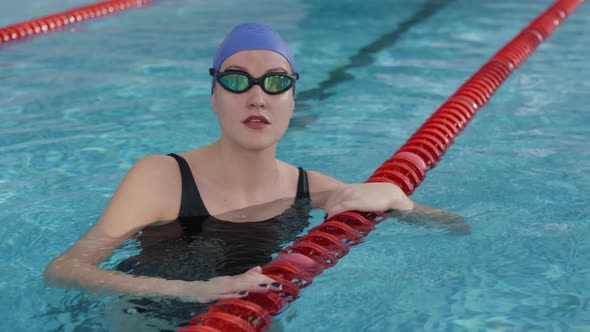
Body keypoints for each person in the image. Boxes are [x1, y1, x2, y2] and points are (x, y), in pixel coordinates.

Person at [45, 22, 466, 315]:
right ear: (213, 96)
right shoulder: (162, 177)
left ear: (292, 101)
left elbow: (457, 228)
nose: (257, 97)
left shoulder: (310, 187)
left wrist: (399, 201)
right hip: (142, 315)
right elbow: (66, 270)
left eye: (276, 81)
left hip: (249, 316)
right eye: (236, 80)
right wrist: (190, 292)